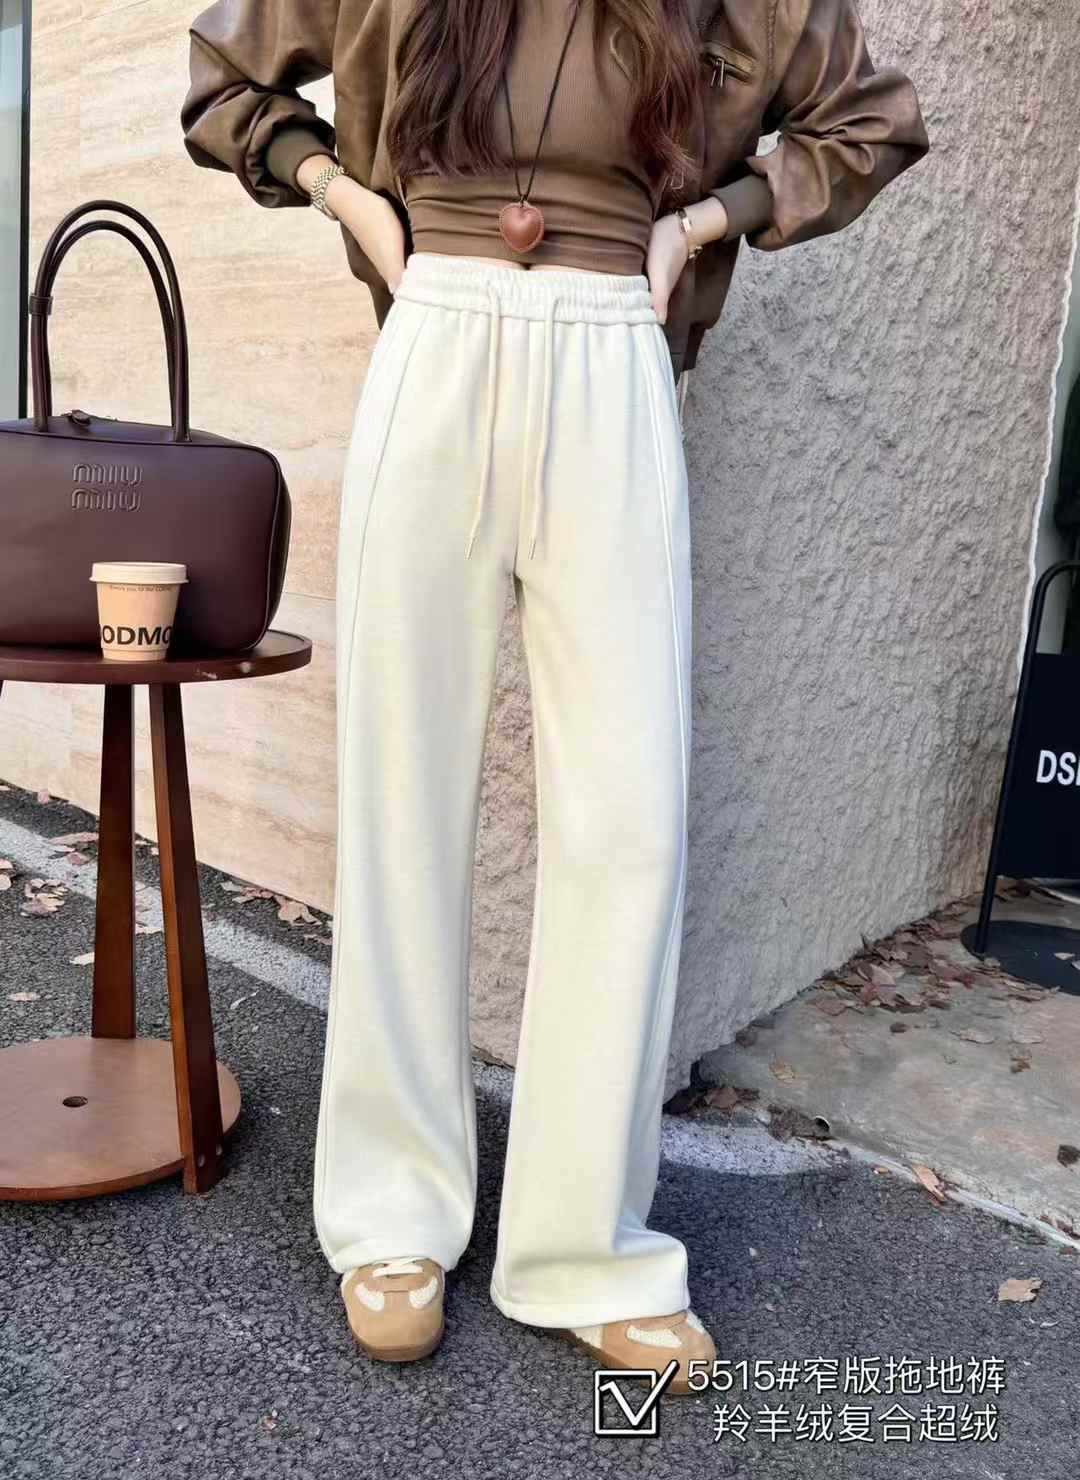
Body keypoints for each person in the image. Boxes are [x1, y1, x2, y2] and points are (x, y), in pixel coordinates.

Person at [182, 0, 929, 1391]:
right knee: (403, 797)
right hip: (440, 332)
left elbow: (871, 120)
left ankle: (585, 1245)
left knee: (626, 822)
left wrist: (699, 225)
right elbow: (226, 77)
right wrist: (352, 199)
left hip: (611, 342)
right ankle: (392, 1214)